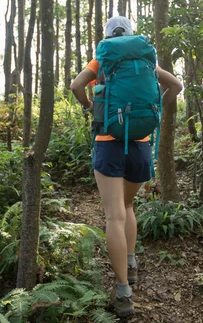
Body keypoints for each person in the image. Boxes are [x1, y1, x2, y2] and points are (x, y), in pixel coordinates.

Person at [70, 16, 183, 317]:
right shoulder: (145, 58)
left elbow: (76, 85)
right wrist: (156, 106)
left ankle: (123, 292)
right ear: (131, 36)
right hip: (141, 143)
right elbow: (176, 85)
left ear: (108, 37)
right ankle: (131, 262)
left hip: (108, 142)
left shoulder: (101, 59)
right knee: (129, 207)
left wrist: (90, 106)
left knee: (114, 216)